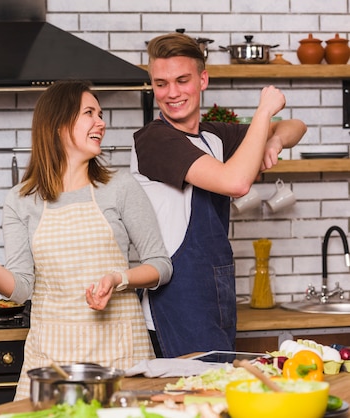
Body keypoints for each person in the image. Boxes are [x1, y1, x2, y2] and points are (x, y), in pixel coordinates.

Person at [0, 80, 172, 399]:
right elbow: (21, 289)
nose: (101, 122)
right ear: (58, 125)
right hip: (52, 358)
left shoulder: (121, 187)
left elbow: (161, 266)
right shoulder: (21, 199)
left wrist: (118, 278)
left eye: (101, 113)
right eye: (89, 113)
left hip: (120, 352)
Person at [131, 32, 307, 358]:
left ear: (203, 80)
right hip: (177, 300)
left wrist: (274, 141)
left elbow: (296, 126)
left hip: (216, 292)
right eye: (161, 83)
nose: (171, 93)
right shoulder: (154, 142)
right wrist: (264, 111)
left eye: (182, 80)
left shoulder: (214, 136)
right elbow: (236, 182)